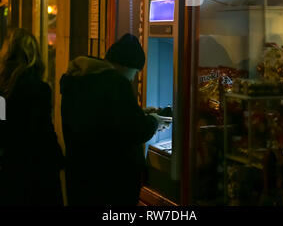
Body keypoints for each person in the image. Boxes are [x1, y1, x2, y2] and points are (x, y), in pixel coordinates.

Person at [60, 33, 167, 206]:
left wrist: (139, 112)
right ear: (126, 65)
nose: (133, 78)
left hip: (82, 180)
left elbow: (106, 120)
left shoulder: (80, 80)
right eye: (135, 72)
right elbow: (135, 130)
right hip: (110, 186)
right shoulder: (115, 83)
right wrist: (154, 121)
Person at [0, 28, 64, 206]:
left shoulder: (3, 91)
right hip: (40, 171)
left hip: (12, 170)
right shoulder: (40, 89)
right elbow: (44, 131)